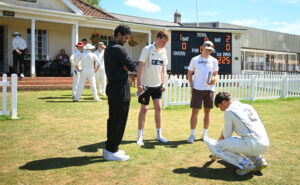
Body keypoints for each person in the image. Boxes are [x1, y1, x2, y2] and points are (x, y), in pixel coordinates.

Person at [204, 92, 269, 176]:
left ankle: (246, 164)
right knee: (237, 139)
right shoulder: (247, 106)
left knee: (217, 146)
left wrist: (217, 149)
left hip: (253, 145)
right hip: (265, 143)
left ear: (223, 102)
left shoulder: (229, 111)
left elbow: (226, 135)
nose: (221, 110)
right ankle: (259, 160)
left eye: (220, 107)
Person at [103, 24, 136, 161]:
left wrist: (125, 67)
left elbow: (127, 66)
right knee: (119, 120)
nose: (127, 40)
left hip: (112, 86)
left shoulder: (108, 48)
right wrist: (125, 67)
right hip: (120, 87)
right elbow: (132, 66)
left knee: (113, 119)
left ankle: (110, 148)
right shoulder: (118, 49)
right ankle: (111, 150)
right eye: (125, 37)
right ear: (118, 34)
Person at [136, 30, 169, 146]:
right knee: (144, 109)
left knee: (158, 108)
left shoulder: (164, 52)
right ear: (158, 39)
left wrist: (163, 84)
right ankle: (140, 137)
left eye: (166, 42)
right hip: (145, 85)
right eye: (163, 42)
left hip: (157, 85)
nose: (164, 44)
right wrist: (139, 83)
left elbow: (163, 69)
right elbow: (140, 66)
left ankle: (159, 135)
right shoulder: (147, 49)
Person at [187, 40, 219, 143]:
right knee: (195, 112)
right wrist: (192, 87)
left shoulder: (214, 60)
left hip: (209, 90)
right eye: (207, 49)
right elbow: (189, 74)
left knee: (207, 112)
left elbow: (215, 74)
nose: (209, 51)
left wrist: (213, 80)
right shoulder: (195, 59)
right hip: (197, 89)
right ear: (202, 48)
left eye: (210, 50)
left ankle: (205, 134)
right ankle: (192, 135)